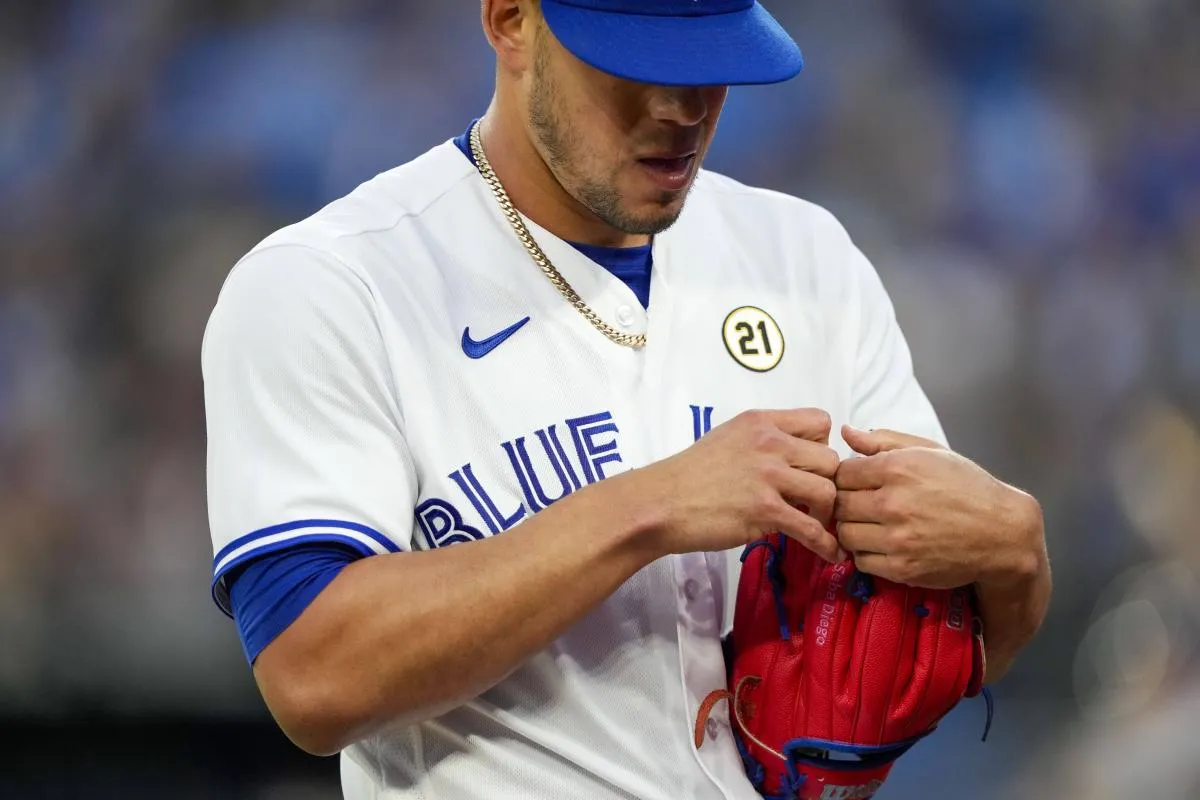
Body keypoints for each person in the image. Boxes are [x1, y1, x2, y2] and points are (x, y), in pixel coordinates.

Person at [201, 1, 1052, 798]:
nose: (679, 107)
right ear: (510, 22)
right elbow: (312, 678)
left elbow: (938, 635)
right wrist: (649, 506)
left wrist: (1015, 560)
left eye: (708, 65)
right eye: (632, 64)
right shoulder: (333, 283)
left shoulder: (807, 260)